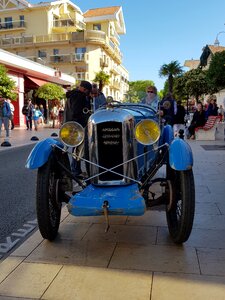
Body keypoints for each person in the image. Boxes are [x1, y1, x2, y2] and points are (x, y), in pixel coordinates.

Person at [64, 80, 92, 176]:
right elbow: (77, 112)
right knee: (78, 148)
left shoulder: (72, 95)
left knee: (76, 147)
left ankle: (76, 169)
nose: (88, 94)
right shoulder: (79, 96)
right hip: (78, 125)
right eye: (88, 91)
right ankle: (75, 170)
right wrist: (85, 120)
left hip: (71, 123)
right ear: (84, 89)